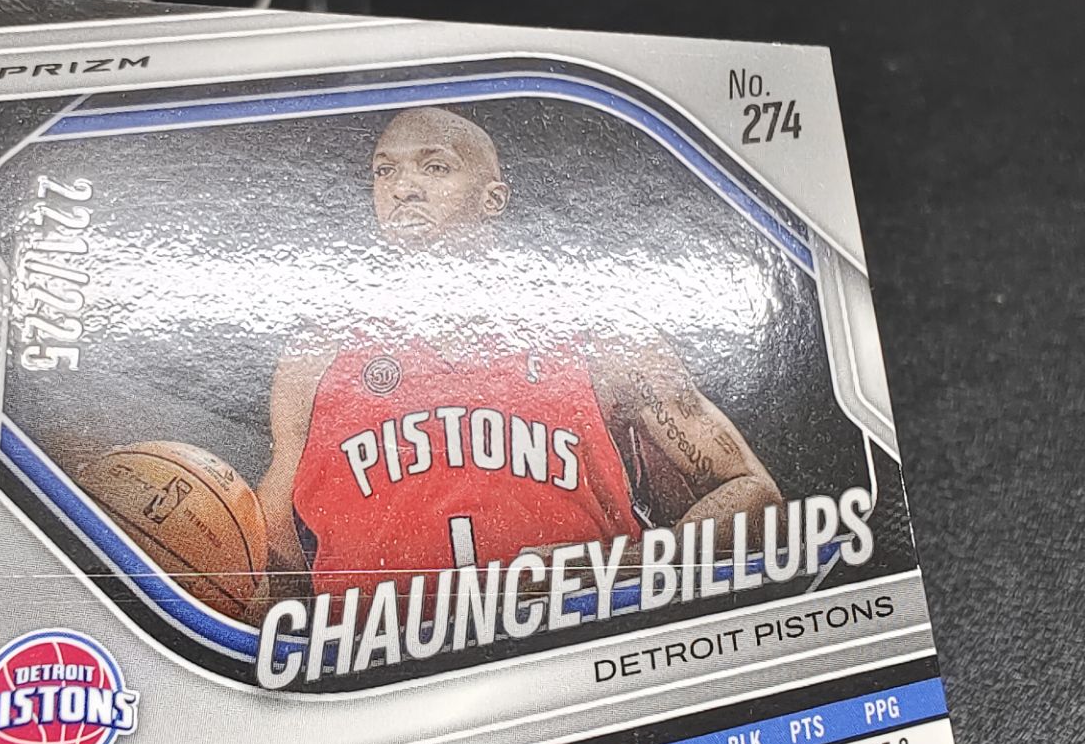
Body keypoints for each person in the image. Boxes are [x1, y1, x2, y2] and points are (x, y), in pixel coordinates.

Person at [253, 105, 780, 611]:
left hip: (572, 640)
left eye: (435, 167)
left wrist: (623, 566)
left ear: (493, 199)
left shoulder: (597, 331)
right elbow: (277, 550)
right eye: (384, 171)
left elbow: (754, 493)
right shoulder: (317, 351)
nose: (402, 187)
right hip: (379, 659)